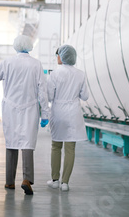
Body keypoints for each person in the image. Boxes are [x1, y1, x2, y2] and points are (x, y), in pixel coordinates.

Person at [0, 35, 49, 195]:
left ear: (15, 46)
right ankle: (27, 179)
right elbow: (42, 91)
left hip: (10, 108)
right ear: (29, 46)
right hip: (30, 108)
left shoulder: (7, 63)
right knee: (27, 144)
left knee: (11, 143)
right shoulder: (36, 64)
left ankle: (10, 182)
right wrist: (45, 113)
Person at [46, 45, 89, 192]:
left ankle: (55, 180)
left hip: (58, 112)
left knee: (56, 146)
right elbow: (85, 96)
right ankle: (65, 183)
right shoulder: (81, 74)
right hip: (74, 113)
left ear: (62, 57)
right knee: (70, 149)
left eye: (58, 55)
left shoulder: (55, 74)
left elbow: (49, 96)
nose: (57, 57)